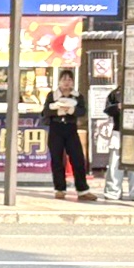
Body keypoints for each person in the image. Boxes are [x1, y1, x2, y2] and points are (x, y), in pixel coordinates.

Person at [40, 69, 95, 200]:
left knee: (78, 159)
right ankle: (60, 189)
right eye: (64, 79)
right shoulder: (52, 95)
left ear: (73, 82)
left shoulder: (77, 96)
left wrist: (71, 110)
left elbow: (82, 111)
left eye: (69, 80)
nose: (66, 83)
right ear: (59, 81)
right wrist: (59, 111)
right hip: (56, 128)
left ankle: (82, 190)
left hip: (71, 129)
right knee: (57, 159)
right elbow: (46, 111)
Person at [102, 84, 134, 202]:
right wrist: (118, 107)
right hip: (118, 131)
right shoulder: (115, 94)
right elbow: (107, 109)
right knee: (115, 164)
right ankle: (113, 191)